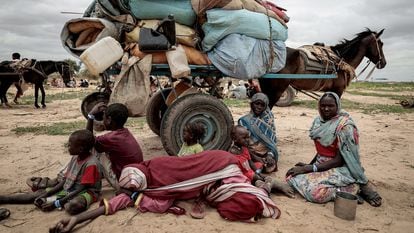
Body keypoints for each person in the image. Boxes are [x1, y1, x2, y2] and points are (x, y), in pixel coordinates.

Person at [50, 151, 281, 232]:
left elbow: (188, 167)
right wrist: (76, 220)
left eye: (131, 188)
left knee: (241, 193)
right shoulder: (147, 189)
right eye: (131, 189)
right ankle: (262, 186)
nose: (129, 191)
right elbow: (115, 204)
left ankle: (264, 185)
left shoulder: (157, 168)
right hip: (215, 178)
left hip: (220, 165)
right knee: (242, 200)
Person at [286, 92, 382, 206]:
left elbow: (339, 160)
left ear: (337, 106)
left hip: (341, 168)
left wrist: (310, 168)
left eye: (330, 106)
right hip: (321, 165)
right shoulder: (318, 122)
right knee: (291, 176)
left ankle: (351, 190)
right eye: (323, 105)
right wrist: (309, 165)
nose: (326, 109)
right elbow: (321, 151)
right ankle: (344, 188)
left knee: (315, 193)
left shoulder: (345, 126)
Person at [0, 130, 102, 215]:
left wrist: (57, 203)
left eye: (70, 145)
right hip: (70, 189)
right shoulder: (75, 158)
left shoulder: (91, 164)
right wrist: (47, 194)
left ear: (80, 149)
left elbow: (81, 188)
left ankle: (55, 201)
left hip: (86, 192)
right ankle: (5, 199)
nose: (68, 147)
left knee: (73, 205)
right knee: (38, 195)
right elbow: (65, 181)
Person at [87, 103, 143, 190]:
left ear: (109, 119)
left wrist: (90, 116)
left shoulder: (111, 138)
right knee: (101, 150)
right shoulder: (124, 133)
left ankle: (69, 177)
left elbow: (87, 140)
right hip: (137, 178)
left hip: (124, 184)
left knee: (90, 148)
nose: (103, 120)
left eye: (104, 118)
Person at [229, 126, 294, 198]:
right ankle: (268, 184)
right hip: (242, 175)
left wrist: (257, 172)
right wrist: (256, 176)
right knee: (258, 178)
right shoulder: (232, 153)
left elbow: (251, 163)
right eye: (244, 138)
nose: (247, 140)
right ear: (235, 139)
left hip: (249, 171)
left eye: (248, 137)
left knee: (259, 168)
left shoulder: (244, 149)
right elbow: (237, 170)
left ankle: (263, 184)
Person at [238, 93, 278, 173]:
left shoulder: (268, 120)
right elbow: (241, 143)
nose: (259, 107)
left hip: (265, 153)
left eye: (262, 105)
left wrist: (270, 155)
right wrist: (255, 156)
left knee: (269, 164)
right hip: (250, 152)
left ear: (265, 107)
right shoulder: (244, 121)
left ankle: (259, 166)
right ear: (251, 104)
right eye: (257, 103)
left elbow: (272, 143)